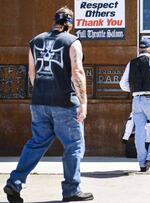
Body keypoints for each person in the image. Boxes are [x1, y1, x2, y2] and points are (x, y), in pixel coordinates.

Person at [3, 6, 94, 202]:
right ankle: (71, 190)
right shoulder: (72, 42)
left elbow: (31, 73)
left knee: (36, 143)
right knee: (74, 145)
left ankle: (14, 182)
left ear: (55, 21)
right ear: (69, 23)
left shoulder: (35, 41)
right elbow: (77, 73)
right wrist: (83, 103)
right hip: (64, 103)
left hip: (39, 102)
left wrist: (43, 93)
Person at [120, 37, 150, 172]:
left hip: (136, 100)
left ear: (139, 49)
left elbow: (122, 84)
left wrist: (136, 89)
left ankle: (142, 164)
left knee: (140, 132)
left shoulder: (131, 63)